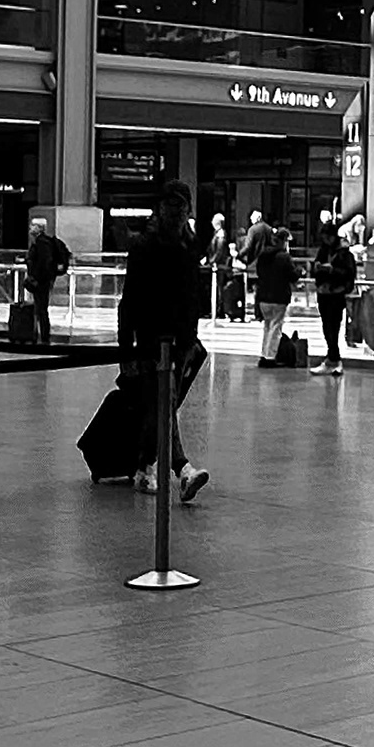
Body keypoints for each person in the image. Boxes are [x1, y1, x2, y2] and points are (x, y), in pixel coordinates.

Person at [118, 178, 209, 504]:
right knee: (165, 402)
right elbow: (130, 299)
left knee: (162, 405)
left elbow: (190, 295)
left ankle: (145, 466)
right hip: (153, 340)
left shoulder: (190, 246)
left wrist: (193, 337)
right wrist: (125, 348)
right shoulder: (145, 247)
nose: (176, 212)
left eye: (181, 206)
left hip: (182, 340)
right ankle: (182, 469)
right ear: (160, 208)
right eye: (170, 205)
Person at [311, 212, 357, 368]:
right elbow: (315, 268)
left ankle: (333, 357)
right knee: (326, 325)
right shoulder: (324, 251)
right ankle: (333, 357)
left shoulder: (344, 253)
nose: (325, 240)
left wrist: (332, 270)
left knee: (334, 326)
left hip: (336, 293)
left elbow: (349, 273)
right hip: (324, 292)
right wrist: (317, 268)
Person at [247, 211, 295, 362]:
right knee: (276, 327)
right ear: (283, 241)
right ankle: (270, 356)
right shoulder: (284, 257)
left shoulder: (263, 255)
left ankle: (264, 354)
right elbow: (291, 275)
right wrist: (300, 272)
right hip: (279, 297)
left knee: (267, 326)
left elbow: (260, 273)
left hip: (264, 297)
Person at [21, 207, 72, 347]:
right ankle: (41, 335)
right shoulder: (42, 242)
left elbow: (44, 261)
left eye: (32, 225)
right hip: (44, 280)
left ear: (39, 228)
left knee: (41, 309)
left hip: (42, 281)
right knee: (40, 308)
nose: (30, 228)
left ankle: (44, 336)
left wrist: (36, 277)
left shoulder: (42, 242)